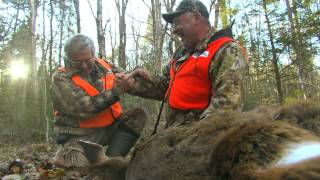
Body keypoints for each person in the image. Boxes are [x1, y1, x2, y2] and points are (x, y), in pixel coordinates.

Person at [116, 0, 248, 128]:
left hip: (199, 138)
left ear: (196, 18)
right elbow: (167, 87)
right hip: (173, 133)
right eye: (173, 25)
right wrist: (134, 84)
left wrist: (192, 141)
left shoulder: (226, 50)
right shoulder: (181, 54)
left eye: (178, 22)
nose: (174, 30)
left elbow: (226, 108)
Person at [51, 34, 147, 174]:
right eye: (77, 62)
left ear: (93, 55)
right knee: (80, 171)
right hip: (78, 136)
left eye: (88, 60)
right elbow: (84, 110)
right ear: (68, 58)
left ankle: (109, 164)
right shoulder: (61, 77)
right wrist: (117, 91)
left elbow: (125, 77)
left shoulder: (104, 65)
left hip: (108, 129)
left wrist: (135, 73)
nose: (84, 66)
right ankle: (66, 154)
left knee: (138, 115)